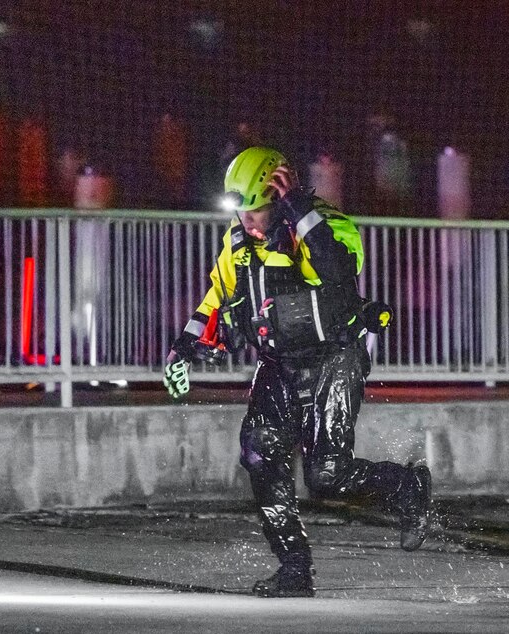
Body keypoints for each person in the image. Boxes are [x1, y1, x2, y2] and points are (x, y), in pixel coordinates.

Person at [163, 146, 431, 597]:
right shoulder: (239, 241)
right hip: (279, 360)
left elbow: (339, 271)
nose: (249, 223)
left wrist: (299, 212)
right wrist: (183, 348)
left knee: (327, 474)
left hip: (334, 356)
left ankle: (406, 486)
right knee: (259, 451)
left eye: (257, 211)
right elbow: (218, 297)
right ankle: (294, 568)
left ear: (279, 195)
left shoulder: (326, 224)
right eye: (242, 213)